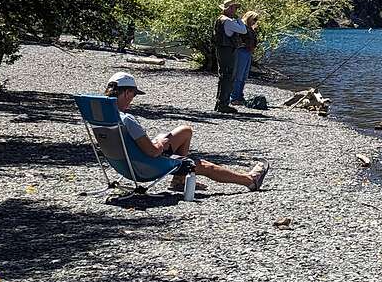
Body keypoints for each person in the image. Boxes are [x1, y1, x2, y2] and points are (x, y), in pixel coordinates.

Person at [104, 72, 269, 192]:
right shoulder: (127, 119)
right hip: (145, 167)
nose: (133, 99)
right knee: (201, 165)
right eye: (133, 95)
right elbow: (153, 152)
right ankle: (250, 180)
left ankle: (179, 180)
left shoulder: (103, 116)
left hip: (124, 165)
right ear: (126, 92)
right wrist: (161, 143)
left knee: (185, 130)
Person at [213, 0, 248, 114]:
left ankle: (220, 103)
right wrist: (239, 19)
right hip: (227, 51)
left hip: (221, 50)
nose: (235, 10)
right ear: (227, 9)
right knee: (228, 76)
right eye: (233, 8)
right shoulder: (228, 21)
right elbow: (243, 30)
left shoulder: (220, 19)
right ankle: (223, 104)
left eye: (235, 8)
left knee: (223, 76)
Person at [230, 10, 259, 106]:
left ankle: (240, 95)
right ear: (249, 17)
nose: (255, 21)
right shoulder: (242, 26)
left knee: (244, 76)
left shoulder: (250, 28)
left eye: (256, 19)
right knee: (238, 75)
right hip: (241, 52)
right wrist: (242, 45)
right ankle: (234, 97)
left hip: (248, 52)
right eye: (254, 19)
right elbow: (235, 38)